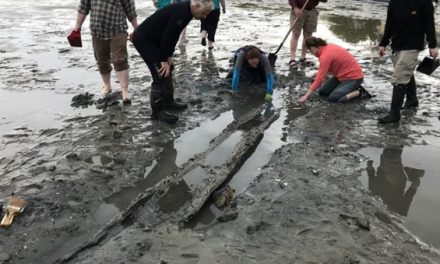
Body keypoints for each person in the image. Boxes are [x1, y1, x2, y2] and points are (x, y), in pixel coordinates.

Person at [133, 0, 213, 123]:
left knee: (169, 68)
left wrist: (168, 56)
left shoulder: (188, 11)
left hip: (155, 40)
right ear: (196, 6)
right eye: (204, 12)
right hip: (144, 39)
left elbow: (174, 36)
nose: (205, 16)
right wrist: (163, 59)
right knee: (160, 73)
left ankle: (168, 102)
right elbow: (168, 36)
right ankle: (157, 112)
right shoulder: (182, 11)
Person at [377, 0, 438, 123]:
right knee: (405, 72)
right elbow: (390, 23)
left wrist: (433, 45)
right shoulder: (394, 2)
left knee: (400, 76)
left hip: (413, 45)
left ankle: (394, 113)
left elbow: (429, 24)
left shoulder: (424, 2)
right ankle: (412, 99)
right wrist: (383, 43)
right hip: (397, 44)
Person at [73, 0, 138, 103]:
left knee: (120, 59)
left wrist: (137, 28)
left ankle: (124, 91)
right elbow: (83, 7)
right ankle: (107, 86)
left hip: (118, 30)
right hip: (97, 31)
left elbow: (130, 10)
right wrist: (77, 25)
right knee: (101, 60)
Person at [298, 37, 364, 103]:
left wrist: (306, 96)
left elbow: (320, 79)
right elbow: (332, 65)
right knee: (322, 92)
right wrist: (319, 74)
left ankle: (359, 92)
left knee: (334, 98)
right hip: (341, 76)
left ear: (313, 48)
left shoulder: (325, 57)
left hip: (354, 77)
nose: (311, 53)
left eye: (309, 51)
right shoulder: (327, 47)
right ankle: (344, 88)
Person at [288, 0, 327, 68]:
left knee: (308, 36)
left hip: (312, 11)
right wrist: (295, 8)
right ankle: (292, 59)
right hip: (298, 9)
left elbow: (324, 0)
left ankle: (303, 58)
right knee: (295, 34)